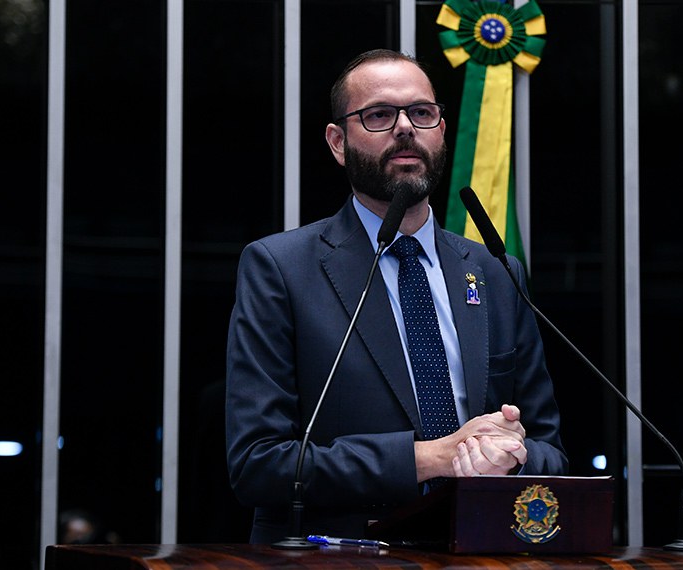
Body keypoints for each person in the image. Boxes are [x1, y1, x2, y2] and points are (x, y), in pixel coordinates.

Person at [225, 48, 568, 544]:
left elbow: (549, 450)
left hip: (478, 550)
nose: (405, 127)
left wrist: (511, 454)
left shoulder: (494, 272)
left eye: (422, 113)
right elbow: (258, 463)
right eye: (380, 115)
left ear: (442, 132)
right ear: (338, 142)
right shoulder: (279, 267)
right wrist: (431, 458)